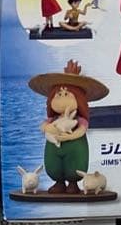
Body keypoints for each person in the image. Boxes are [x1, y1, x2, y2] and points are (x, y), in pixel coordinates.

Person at [27, 60, 109, 195]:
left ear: (79, 100)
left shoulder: (78, 120)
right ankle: (59, 183)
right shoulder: (53, 120)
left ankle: (72, 184)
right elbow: (43, 126)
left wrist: (70, 136)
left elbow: (82, 129)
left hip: (75, 149)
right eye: (58, 95)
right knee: (53, 165)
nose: (62, 99)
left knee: (75, 165)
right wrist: (48, 128)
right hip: (54, 148)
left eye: (67, 95)